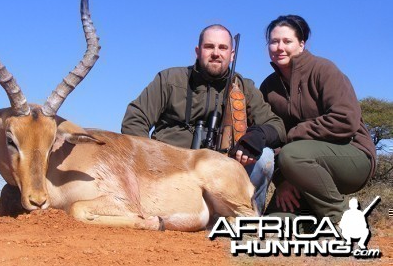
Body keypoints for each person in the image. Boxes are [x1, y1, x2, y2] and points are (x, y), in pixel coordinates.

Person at [122, 24, 286, 214]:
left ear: (232, 54)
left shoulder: (243, 86)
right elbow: (135, 118)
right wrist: (149, 161)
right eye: (209, 47)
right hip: (171, 169)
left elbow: (277, 125)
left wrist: (258, 135)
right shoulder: (169, 79)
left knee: (264, 157)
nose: (216, 53)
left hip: (221, 172)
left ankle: (248, 218)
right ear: (198, 51)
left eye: (223, 48)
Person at [260, 15, 376, 226]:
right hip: (298, 166)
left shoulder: (324, 70)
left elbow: (346, 120)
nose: (279, 47)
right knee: (274, 226)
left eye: (287, 41)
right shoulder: (268, 87)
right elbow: (269, 135)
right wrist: (283, 181)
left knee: (293, 154)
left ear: (301, 44)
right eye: (274, 41)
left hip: (353, 155)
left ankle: (340, 222)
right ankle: (312, 222)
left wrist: (293, 135)